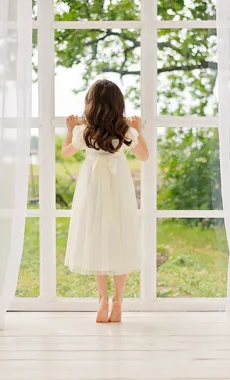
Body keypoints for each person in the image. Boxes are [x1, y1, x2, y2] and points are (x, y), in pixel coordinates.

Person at [61, 79, 149, 323]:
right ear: (118, 104)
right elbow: (144, 155)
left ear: (91, 104)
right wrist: (138, 130)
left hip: (93, 189)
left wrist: (70, 129)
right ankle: (118, 301)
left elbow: (66, 152)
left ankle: (102, 300)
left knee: (96, 237)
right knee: (121, 237)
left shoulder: (85, 131)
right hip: (118, 188)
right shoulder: (124, 130)